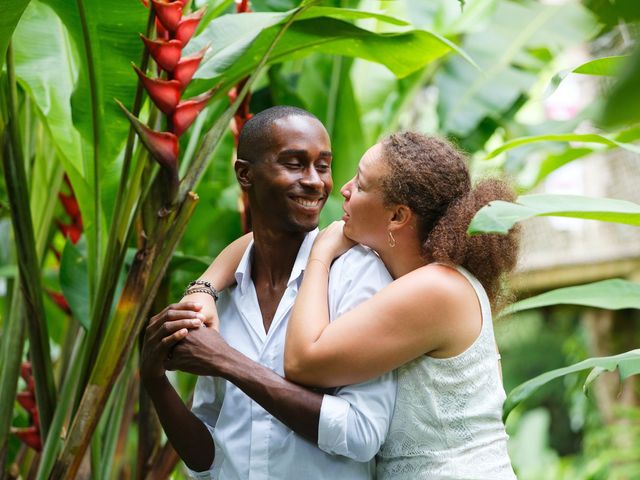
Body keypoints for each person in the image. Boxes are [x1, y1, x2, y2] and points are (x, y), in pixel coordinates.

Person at [210, 132, 520, 479]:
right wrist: (203, 289)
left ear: (396, 217)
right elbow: (267, 239)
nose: (343, 188)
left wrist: (321, 257)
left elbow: (302, 361)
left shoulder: (438, 288)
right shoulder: (413, 276)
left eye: (360, 183)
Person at [140, 106, 396, 479]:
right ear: (246, 174)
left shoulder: (357, 275)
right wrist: (154, 380)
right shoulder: (217, 296)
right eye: (295, 164)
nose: (314, 181)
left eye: (322, 166)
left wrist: (227, 361)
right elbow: (207, 458)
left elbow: (361, 433)